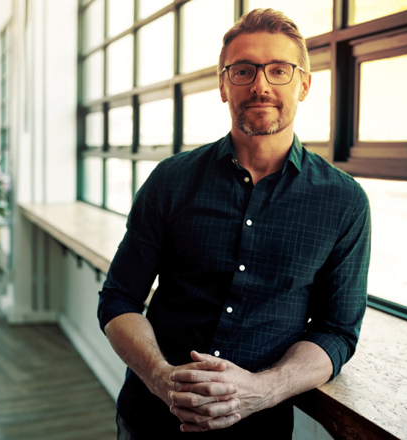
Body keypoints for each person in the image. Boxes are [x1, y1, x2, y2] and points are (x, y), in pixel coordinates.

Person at [98, 8, 371, 439]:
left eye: (279, 70)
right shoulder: (170, 180)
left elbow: (337, 332)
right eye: (243, 70)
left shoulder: (344, 201)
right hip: (151, 420)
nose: (260, 85)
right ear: (224, 86)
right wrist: (160, 377)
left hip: (258, 430)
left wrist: (262, 390)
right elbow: (119, 299)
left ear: (304, 85)